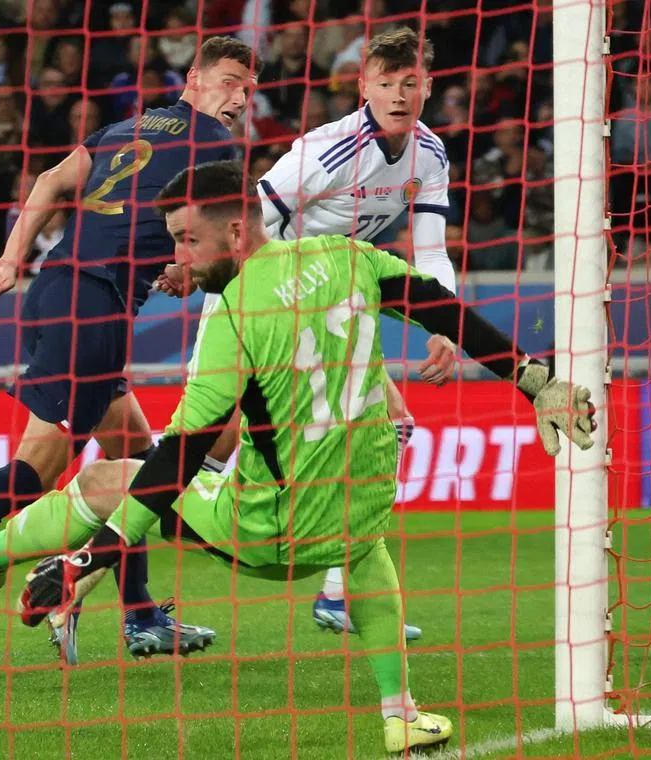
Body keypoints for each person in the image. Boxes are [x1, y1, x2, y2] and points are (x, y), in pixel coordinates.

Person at [0, 160, 597, 752]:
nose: (179, 258)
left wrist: (89, 560)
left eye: (187, 240)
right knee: (366, 552)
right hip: (357, 508)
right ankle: (400, 715)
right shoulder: (348, 257)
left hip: (268, 531)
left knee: (109, 474)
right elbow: (444, 311)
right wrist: (538, 383)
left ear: (235, 229)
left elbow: (181, 460)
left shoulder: (234, 316)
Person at [0, 36, 256, 666]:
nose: (238, 97)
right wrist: (189, 267)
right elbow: (212, 238)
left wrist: (6, 262)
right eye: (229, 81)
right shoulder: (214, 145)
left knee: (136, 461)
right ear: (193, 77)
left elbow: (51, 180)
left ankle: (139, 615)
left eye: (247, 88)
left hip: (57, 288)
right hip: (94, 305)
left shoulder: (126, 126)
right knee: (37, 474)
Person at [167, 27, 459, 641]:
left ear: (428, 86)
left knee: (393, 425)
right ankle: (88, 565)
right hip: (265, 299)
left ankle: (336, 594)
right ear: (363, 87)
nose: (399, 94)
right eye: (385, 83)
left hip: (333, 300)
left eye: (410, 83)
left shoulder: (430, 155)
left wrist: (446, 321)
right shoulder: (326, 151)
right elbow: (248, 220)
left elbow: (430, 252)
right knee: (198, 446)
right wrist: (201, 270)